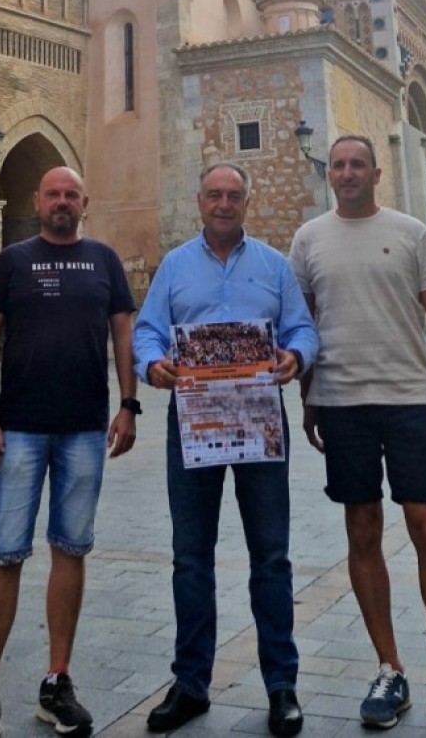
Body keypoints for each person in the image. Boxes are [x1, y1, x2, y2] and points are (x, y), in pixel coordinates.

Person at [288, 135, 426, 736]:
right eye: (337, 165)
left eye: (355, 165)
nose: (345, 173)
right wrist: (309, 394)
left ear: (375, 173)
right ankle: (388, 668)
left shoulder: (412, 231)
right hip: (342, 402)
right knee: (362, 529)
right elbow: (304, 320)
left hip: (408, 401)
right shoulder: (308, 239)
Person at [133, 162, 318, 737]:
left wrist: (295, 357)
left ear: (246, 202)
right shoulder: (174, 267)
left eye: (233, 195)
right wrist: (152, 364)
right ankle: (191, 683)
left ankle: (281, 685)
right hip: (194, 421)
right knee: (191, 556)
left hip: (260, 421)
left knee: (272, 556)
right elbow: (147, 330)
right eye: (214, 194)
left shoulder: (274, 266)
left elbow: (303, 329)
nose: (223, 203)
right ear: (199, 201)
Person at [0, 166, 140, 738]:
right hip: (19, 430)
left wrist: (129, 405)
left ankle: (56, 682)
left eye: (71, 196)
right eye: (53, 194)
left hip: (85, 430)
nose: (62, 202)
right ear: (38, 202)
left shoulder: (105, 262)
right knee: (4, 553)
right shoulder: (13, 260)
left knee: (71, 549)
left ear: (85, 203)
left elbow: (124, 334)